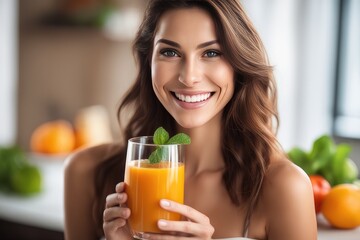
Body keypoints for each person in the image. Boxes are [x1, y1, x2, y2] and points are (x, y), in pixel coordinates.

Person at [64, 0, 317, 239]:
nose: (189, 76)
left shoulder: (285, 189)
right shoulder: (86, 172)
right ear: (147, 61)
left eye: (211, 53)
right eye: (170, 52)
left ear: (239, 65)